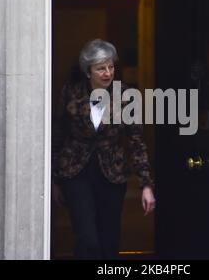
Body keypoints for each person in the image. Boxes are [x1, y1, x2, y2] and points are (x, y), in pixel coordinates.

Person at [52, 39, 156, 260]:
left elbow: (137, 141)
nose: (107, 73)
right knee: (87, 237)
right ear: (88, 71)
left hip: (112, 175)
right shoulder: (71, 93)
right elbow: (57, 135)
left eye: (110, 66)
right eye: (101, 68)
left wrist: (146, 185)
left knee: (109, 238)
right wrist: (53, 180)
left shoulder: (126, 96)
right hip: (76, 173)